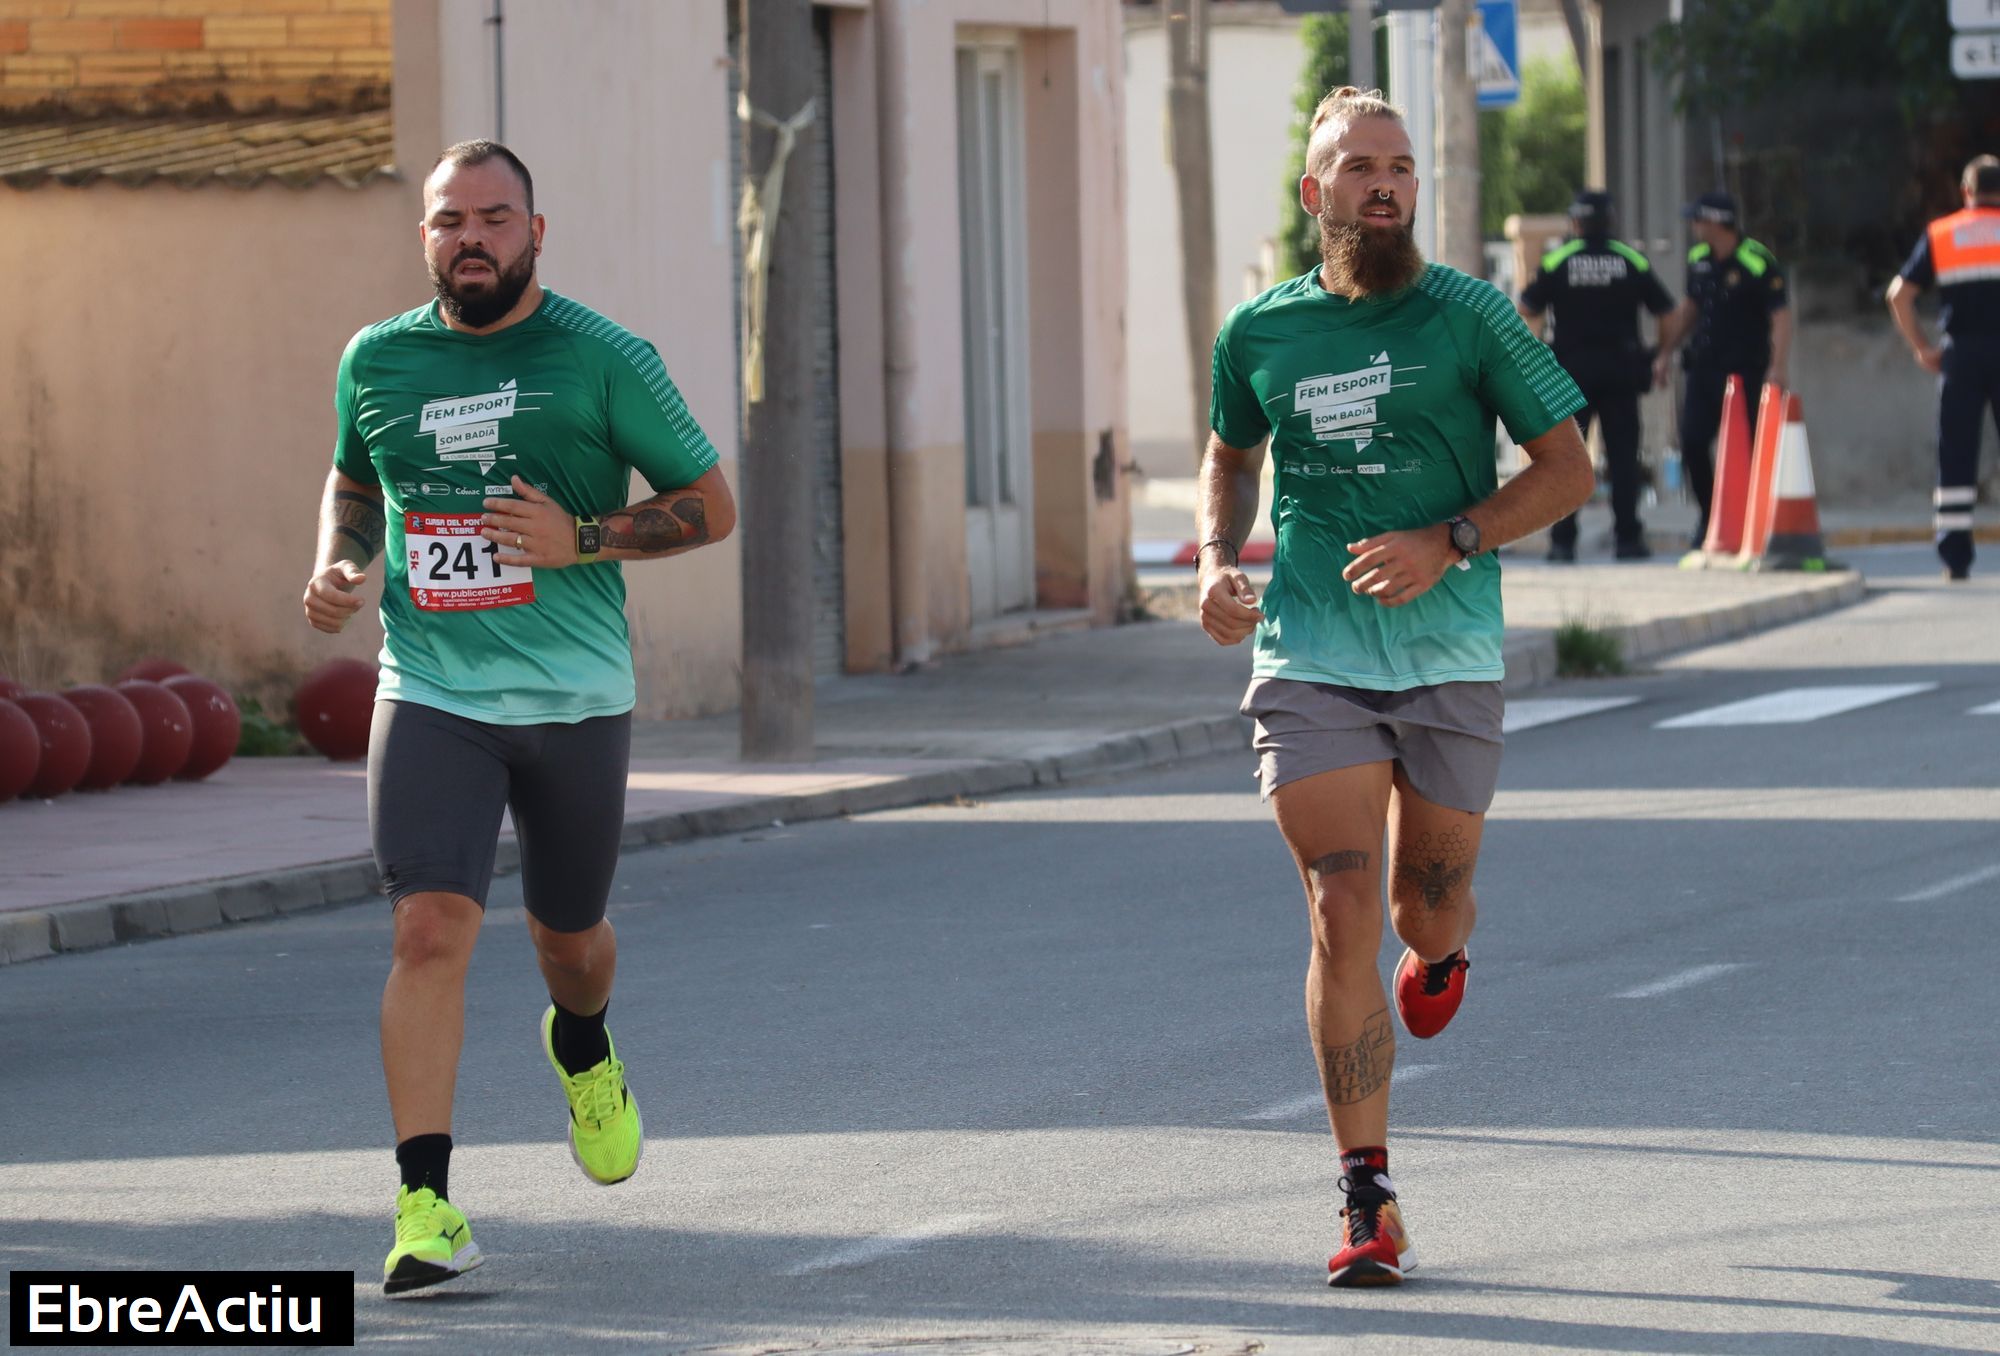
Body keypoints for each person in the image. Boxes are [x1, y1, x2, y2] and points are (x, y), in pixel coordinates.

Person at [301, 140, 737, 1296]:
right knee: (426, 931)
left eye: (495, 219)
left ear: (534, 234)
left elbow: (709, 504)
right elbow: (355, 479)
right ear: (425, 237)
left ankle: (581, 1042)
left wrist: (581, 537)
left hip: (574, 696)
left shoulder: (602, 359)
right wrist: (339, 561)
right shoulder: (377, 358)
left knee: (568, 941)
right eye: (451, 221)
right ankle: (425, 1207)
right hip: (430, 688)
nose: (472, 239)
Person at [1196, 87, 1591, 1288]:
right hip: (1309, 654)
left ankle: (1445, 950)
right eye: (1359, 164)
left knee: (1426, 905)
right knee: (1339, 910)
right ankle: (1365, 1194)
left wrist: (1451, 539)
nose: (1383, 183)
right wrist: (1213, 558)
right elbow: (1229, 453)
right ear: (1313, 191)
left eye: (1400, 166)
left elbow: (1565, 468)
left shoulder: (1468, 316)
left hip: (1445, 656)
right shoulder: (1258, 331)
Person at [1518, 189, 1676, 561]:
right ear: (1610, 221)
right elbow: (1666, 311)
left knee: (1564, 457)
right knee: (1623, 458)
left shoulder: (1558, 260)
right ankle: (1628, 539)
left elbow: (1526, 306)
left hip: (1569, 374)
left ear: (1576, 222)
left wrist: (1535, 352)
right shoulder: (1629, 259)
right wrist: (1661, 354)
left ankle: (1562, 542)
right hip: (1622, 371)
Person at [1652, 190, 1793, 548]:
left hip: (1745, 371)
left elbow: (1780, 316)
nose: (1694, 226)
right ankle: (1710, 516)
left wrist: (1777, 366)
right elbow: (1690, 309)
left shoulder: (1756, 260)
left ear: (1716, 222)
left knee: (1749, 448)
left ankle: (1752, 520)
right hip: (1703, 368)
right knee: (1693, 441)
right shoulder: (1698, 258)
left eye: (1698, 219)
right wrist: (1665, 352)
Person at [1885, 154, 2000, 581]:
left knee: (1956, 454)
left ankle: (1955, 558)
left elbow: (1899, 295)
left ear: (1966, 192)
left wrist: (1923, 348)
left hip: (1961, 355)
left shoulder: (1943, 233)